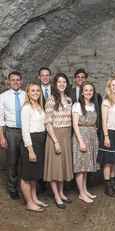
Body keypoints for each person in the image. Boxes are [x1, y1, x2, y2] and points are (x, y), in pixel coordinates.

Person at [43, 73, 73, 209]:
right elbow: (48, 123)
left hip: (66, 136)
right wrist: (55, 141)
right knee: (55, 168)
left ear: (67, 84)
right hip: (55, 136)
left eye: (64, 82)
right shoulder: (50, 100)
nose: (62, 84)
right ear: (55, 84)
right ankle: (56, 195)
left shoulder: (69, 99)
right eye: (59, 82)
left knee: (62, 167)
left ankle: (61, 193)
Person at [20, 83, 47, 212]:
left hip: (40, 141)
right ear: (28, 92)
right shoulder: (26, 108)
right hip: (30, 142)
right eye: (33, 90)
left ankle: (34, 198)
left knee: (34, 174)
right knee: (27, 175)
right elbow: (25, 131)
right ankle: (29, 203)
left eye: (37, 90)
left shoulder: (39, 106)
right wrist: (30, 150)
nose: (35, 92)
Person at [97, 79, 115, 197]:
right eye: (113, 85)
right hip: (109, 132)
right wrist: (106, 136)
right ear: (109, 87)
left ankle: (113, 183)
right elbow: (104, 121)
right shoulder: (106, 101)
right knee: (108, 161)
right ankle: (107, 186)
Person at [72, 82, 99, 203]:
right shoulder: (77, 105)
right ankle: (81, 193)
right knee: (81, 166)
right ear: (82, 92)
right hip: (81, 136)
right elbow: (75, 125)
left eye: (91, 90)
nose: (88, 92)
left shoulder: (93, 105)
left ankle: (85, 189)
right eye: (86, 90)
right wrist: (81, 142)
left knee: (86, 166)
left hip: (91, 136)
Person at [0, 71, 25, 199]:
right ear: (8, 81)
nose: (15, 82)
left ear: (21, 81)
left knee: (25, 160)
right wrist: (2, 136)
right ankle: (12, 188)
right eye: (13, 79)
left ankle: (26, 187)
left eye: (18, 79)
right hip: (11, 132)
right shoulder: (3, 96)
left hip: (26, 131)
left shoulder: (26, 95)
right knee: (12, 161)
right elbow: (0, 118)